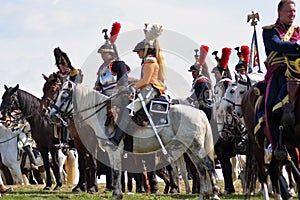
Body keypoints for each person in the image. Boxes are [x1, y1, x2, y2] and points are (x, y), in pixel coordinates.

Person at [262, 0, 300, 157]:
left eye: (294, 11)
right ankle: (276, 144)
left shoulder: (298, 31)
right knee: (270, 106)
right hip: (279, 75)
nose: (292, 14)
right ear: (279, 13)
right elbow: (277, 45)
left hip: (298, 72)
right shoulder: (270, 31)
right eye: (289, 11)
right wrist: (297, 46)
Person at [95, 22, 131, 150]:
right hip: (102, 97)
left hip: (117, 96)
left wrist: (116, 94)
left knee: (122, 113)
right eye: (101, 53)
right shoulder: (102, 68)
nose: (102, 55)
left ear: (110, 53)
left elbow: (124, 82)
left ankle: (116, 138)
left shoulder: (118, 64)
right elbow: (98, 86)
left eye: (104, 53)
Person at [53, 47, 83, 148]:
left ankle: (66, 141)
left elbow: (76, 85)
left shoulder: (74, 72)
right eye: (59, 66)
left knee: (64, 114)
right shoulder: (60, 75)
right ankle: (59, 139)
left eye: (62, 66)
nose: (60, 68)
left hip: (74, 96)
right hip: (63, 98)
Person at [186, 45, 213, 121]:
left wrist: (186, 101)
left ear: (199, 71)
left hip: (205, 108)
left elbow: (196, 95)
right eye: (192, 72)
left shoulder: (202, 81)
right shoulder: (199, 80)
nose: (193, 73)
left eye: (194, 72)